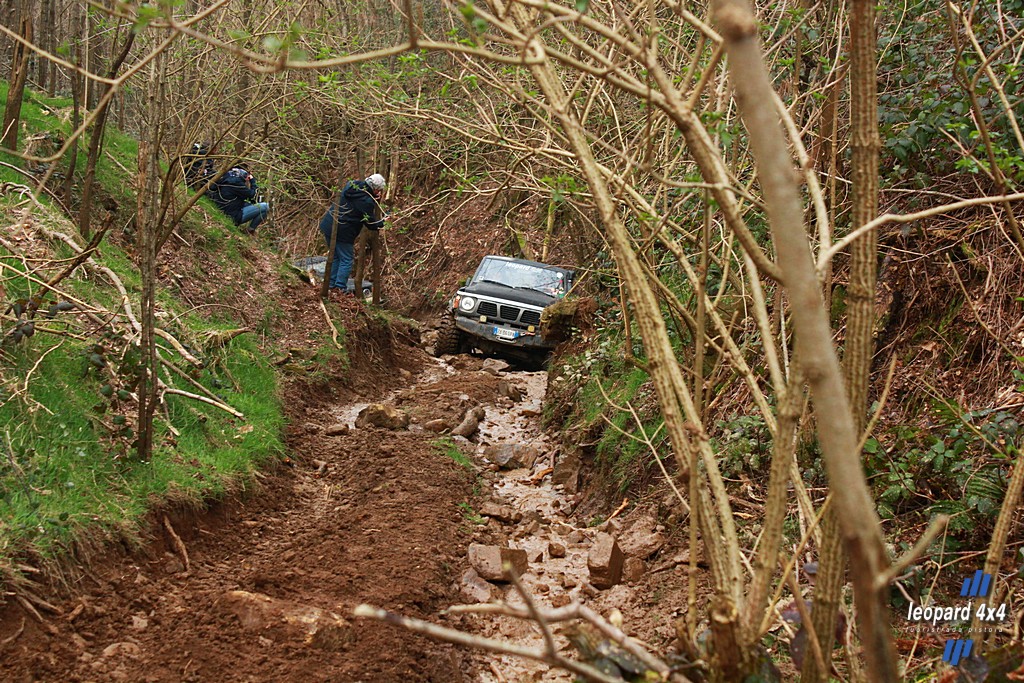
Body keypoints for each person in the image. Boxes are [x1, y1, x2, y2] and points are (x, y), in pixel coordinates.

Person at [319, 173, 386, 295]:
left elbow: (357, 202)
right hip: (343, 232)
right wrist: (383, 222)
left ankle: (330, 285)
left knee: (336, 257)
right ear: (375, 189)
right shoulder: (366, 201)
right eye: (379, 190)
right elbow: (371, 224)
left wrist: (372, 196)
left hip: (329, 225)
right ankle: (339, 288)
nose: (379, 192)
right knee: (346, 260)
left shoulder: (353, 185)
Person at [208, 165, 268, 234]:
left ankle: (250, 230)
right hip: (232, 215)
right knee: (266, 206)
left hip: (224, 208)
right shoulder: (237, 185)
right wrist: (253, 181)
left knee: (255, 207)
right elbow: (252, 194)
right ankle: (250, 230)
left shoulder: (225, 178)